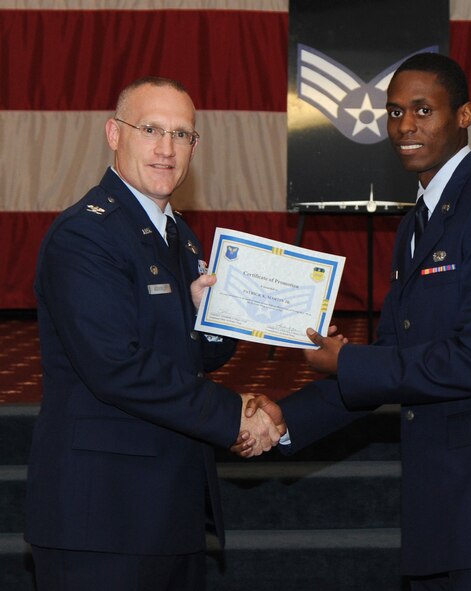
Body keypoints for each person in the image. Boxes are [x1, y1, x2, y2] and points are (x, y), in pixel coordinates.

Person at [238, 53, 471, 590]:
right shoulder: (417, 222)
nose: (406, 127)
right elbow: (392, 354)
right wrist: (285, 419)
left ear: (464, 115)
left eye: (423, 110)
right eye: (395, 113)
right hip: (441, 498)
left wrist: (348, 359)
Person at [25, 76, 281, 591]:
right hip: (102, 520)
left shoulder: (179, 237)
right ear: (114, 135)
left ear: (195, 146)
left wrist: (213, 322)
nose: (167, 149)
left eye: (182, 134)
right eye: (151, 130)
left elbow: (185, 355)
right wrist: (235, 415)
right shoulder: (86, 236)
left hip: (167, 512)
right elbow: (118, 368)